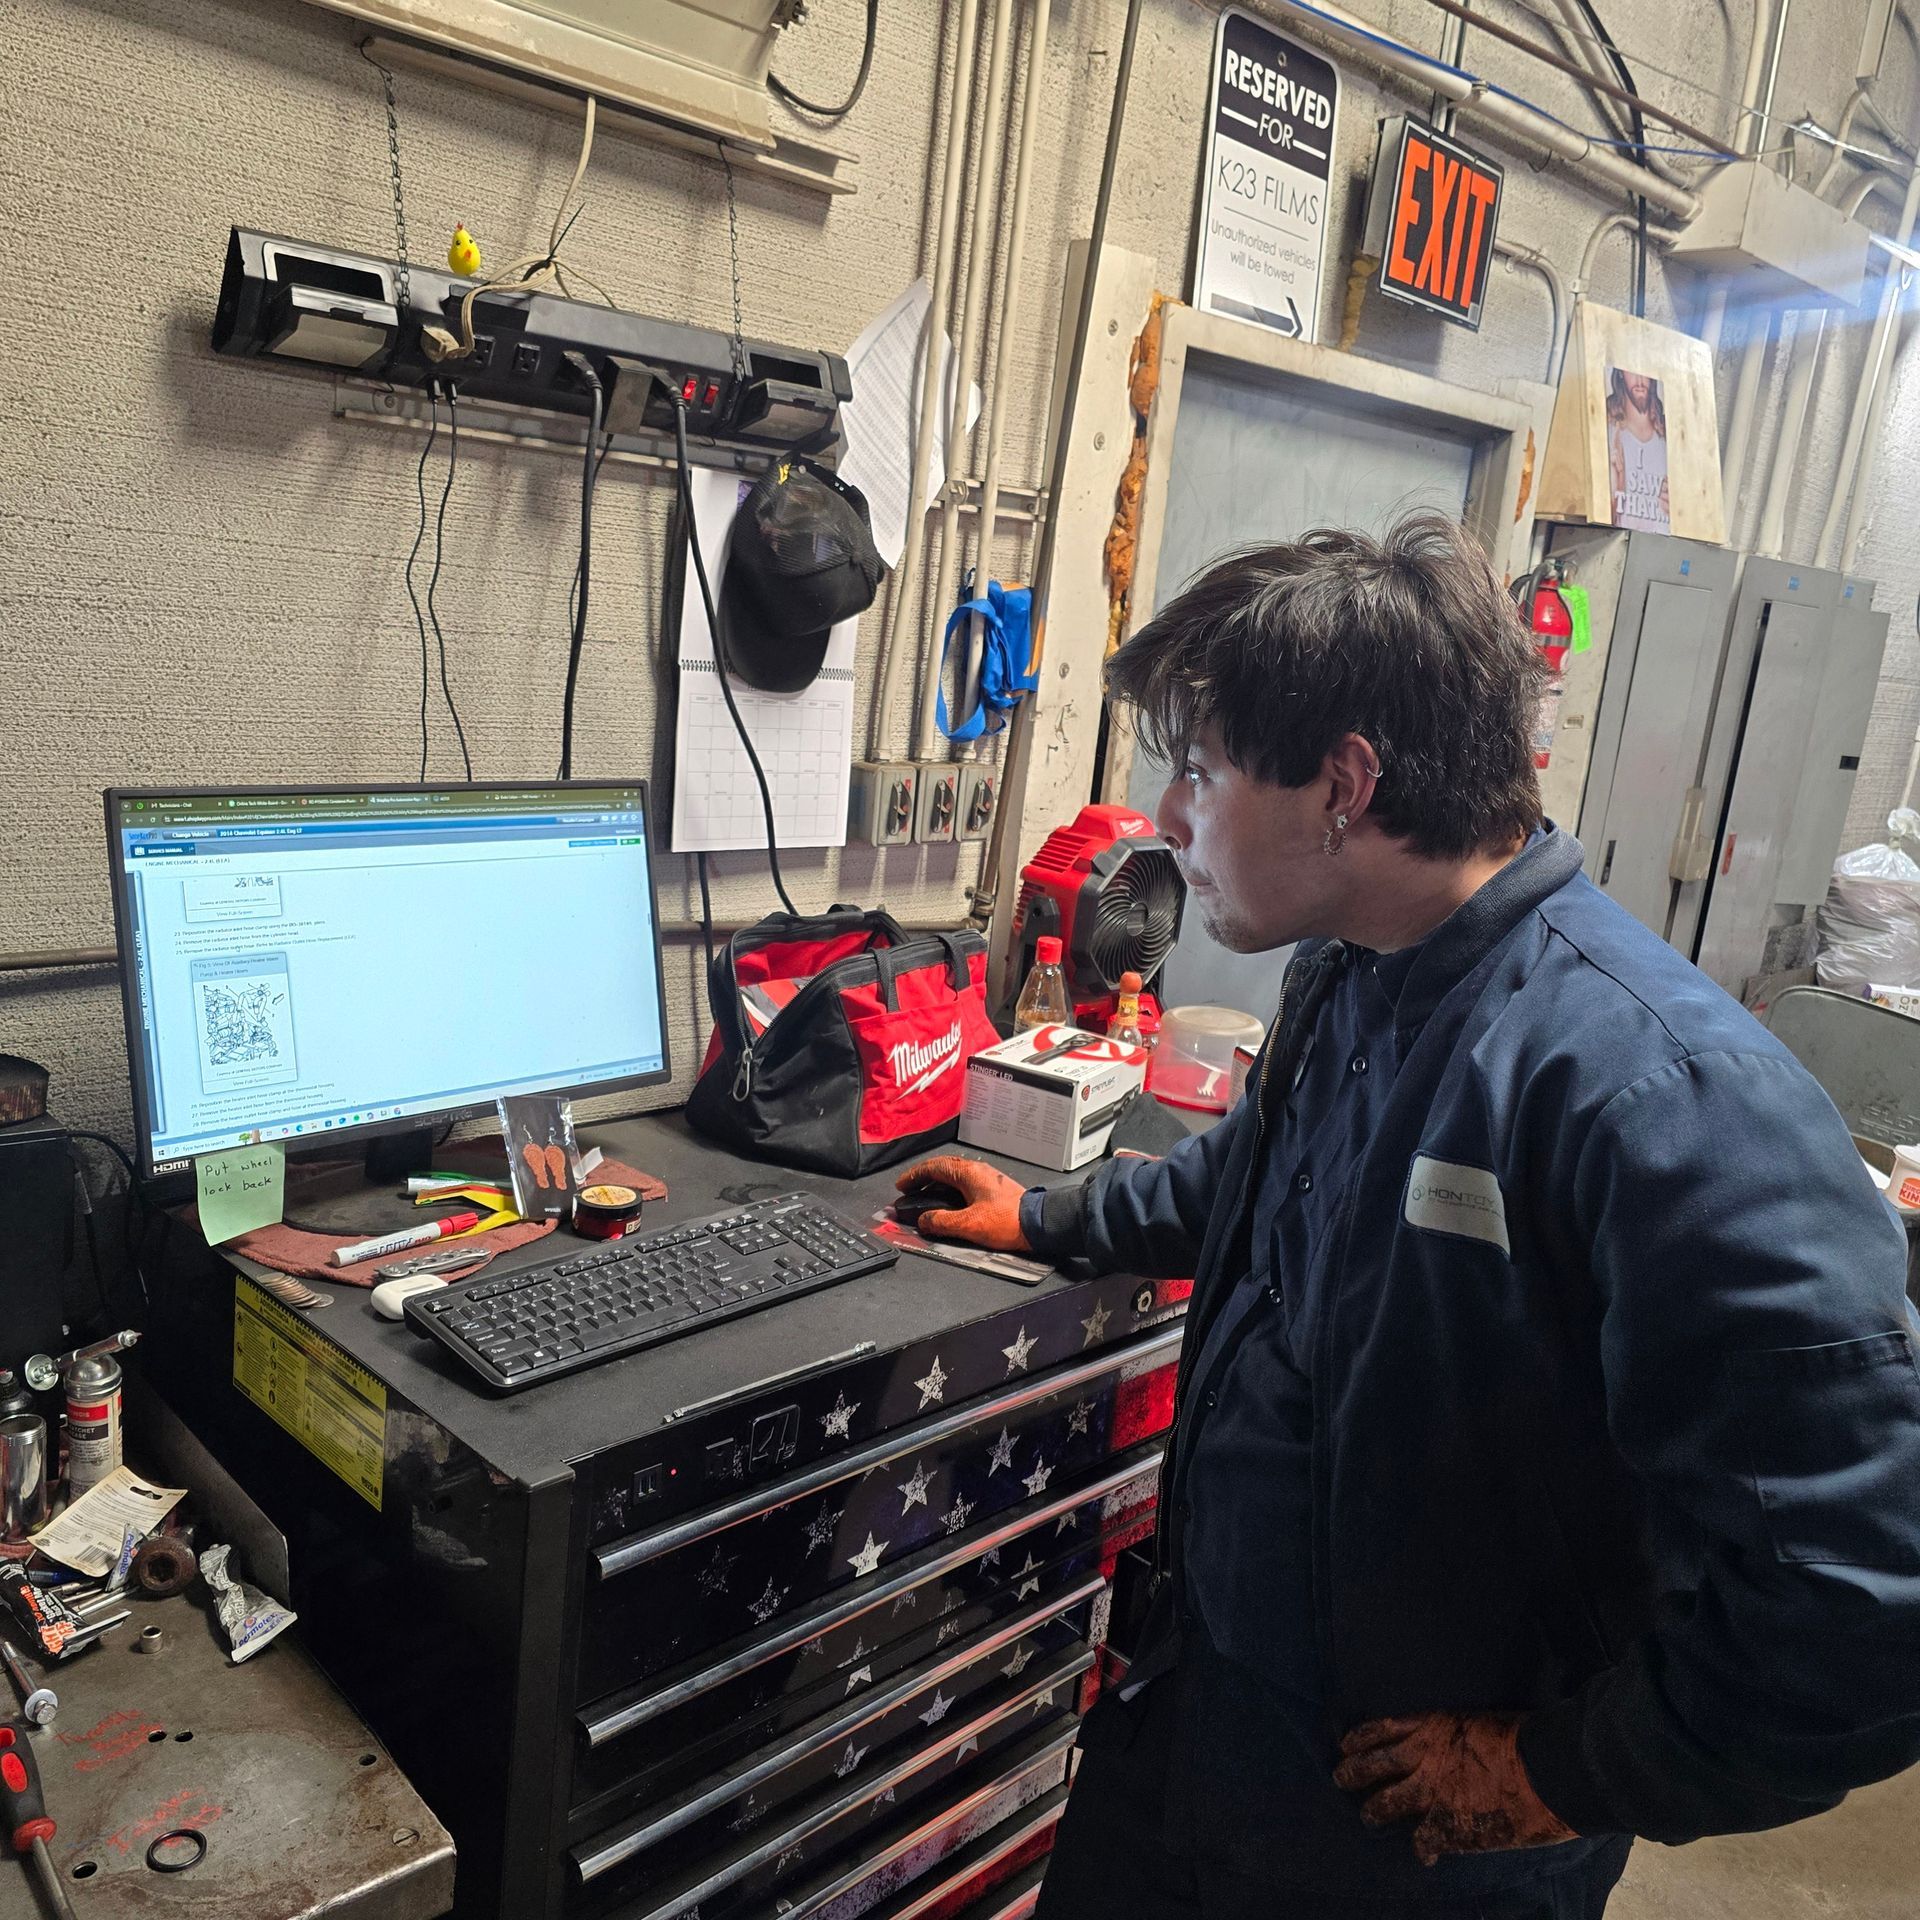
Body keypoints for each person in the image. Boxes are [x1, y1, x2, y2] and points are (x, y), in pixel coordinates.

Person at [903, 515, 1920, 1920]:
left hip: (1412, 1848)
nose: (1167, 822)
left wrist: (1561, 1773)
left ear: (1346, 783)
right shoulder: (1360, 969)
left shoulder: (1663, 1095)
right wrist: (1056, 1217)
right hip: (1206, 1732)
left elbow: (1864, 1601)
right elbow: (1257, 1187)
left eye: (1197, 771)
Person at [1607, 369, 1670, 533]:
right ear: (1621, 373)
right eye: (1633, 372)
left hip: (1658, 547)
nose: (1640, 382)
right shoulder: (1609, 430)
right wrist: (1619, 480)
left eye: (1646, 373)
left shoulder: (1668, 437)